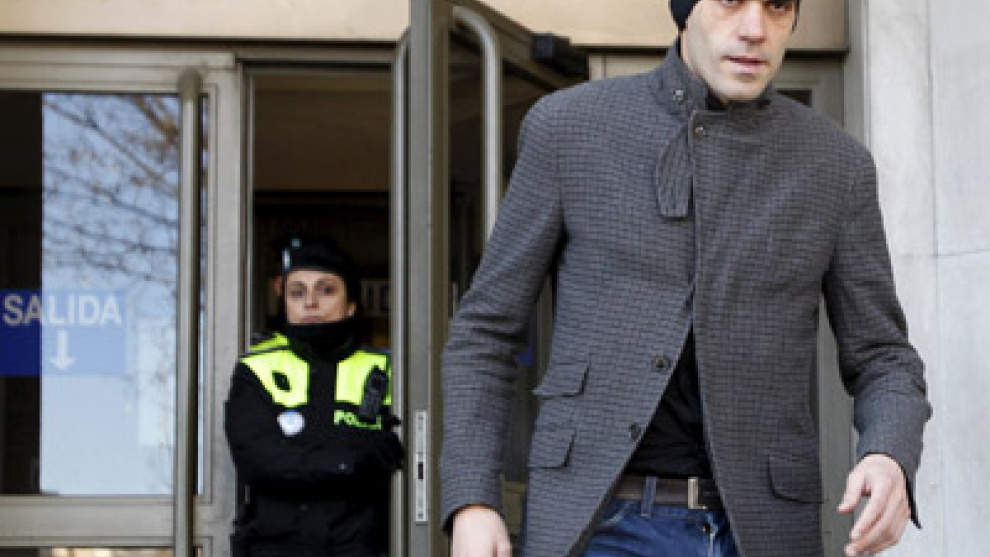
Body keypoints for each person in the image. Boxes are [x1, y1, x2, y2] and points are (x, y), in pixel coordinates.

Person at [439, 1, 931, 557]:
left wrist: (889, 454)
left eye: (777, 6)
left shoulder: (836, 165)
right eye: (729, 0)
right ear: (684, 11)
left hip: (763, 532)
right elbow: (485, 331)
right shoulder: (568, 129)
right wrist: (473, 499)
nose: (754, 29)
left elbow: (884, 357)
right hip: (599, 526)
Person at [225, 236, 402, 557]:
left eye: (326, 290)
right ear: (285, 303)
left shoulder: (388, 370)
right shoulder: (257, 368)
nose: (310, 302)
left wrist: (307, 460)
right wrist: (351, 461)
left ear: (351, 303)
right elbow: (261, 461)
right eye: (297, 292)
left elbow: (405, 455)